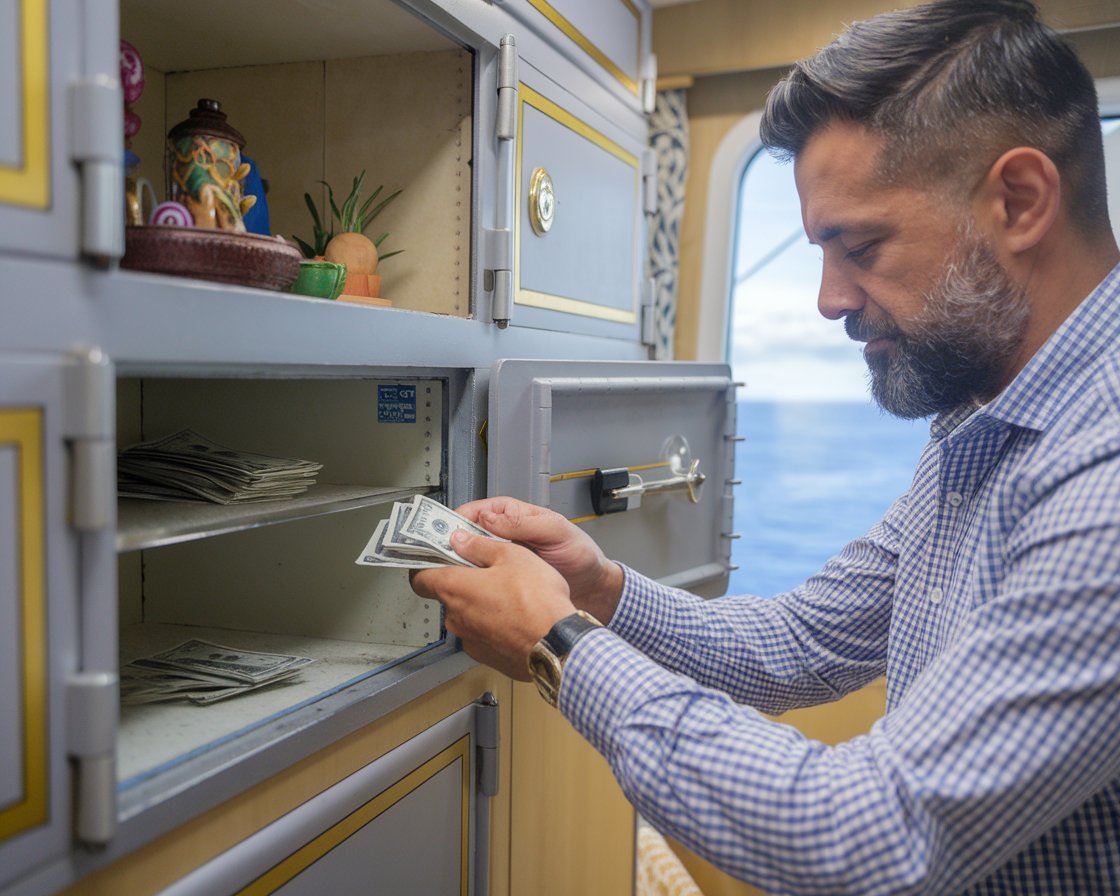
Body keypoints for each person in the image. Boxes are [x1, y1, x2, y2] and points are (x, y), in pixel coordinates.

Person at [411, 0, 1120, 891]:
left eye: (858, 244)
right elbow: (799, 641)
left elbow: (867, 837)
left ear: (1019, 201)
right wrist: (602, 591)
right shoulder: (984, 420)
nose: (829, 299)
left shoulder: (1104, 473)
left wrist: (557, 644)